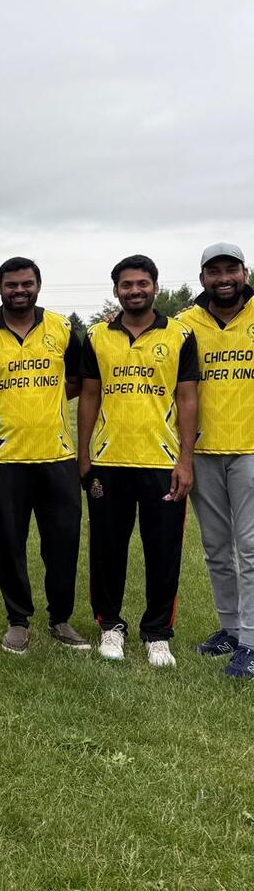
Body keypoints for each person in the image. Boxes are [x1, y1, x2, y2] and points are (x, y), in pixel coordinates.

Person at [78, 254, 198, 667]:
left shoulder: (180, 335)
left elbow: (187, 399)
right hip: (108, 460)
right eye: (126, 284)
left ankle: (157, 633)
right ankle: (110, 625)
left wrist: (186, 461)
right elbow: (89, 395)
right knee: (107, 549)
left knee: (163, 551)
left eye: (142, 283)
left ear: (155, 287)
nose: (135, 291)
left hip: (162, 462)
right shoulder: (97, 335)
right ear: (116, 290)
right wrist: (84, 455)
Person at [0, 257, 90, 654]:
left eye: (26, 283)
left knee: (63, 541)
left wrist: (44, 401)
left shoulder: (61, 327)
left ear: (38, 285)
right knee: (9, 542)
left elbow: (77, 381)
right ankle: (18, 621)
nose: (19, 290)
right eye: (11, 285)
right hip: (2, 458)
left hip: (57, 455)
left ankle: (61, 619)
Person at [178, 243, 254, 677]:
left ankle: (251, 640)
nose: (223, 279)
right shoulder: (185, 323)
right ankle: (230, 629)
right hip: (202, 451)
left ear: (244, 272)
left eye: (231, 270)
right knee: (216, 549)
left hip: (250, 449)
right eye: (214, 272)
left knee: (251, 548)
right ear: (203, 278)